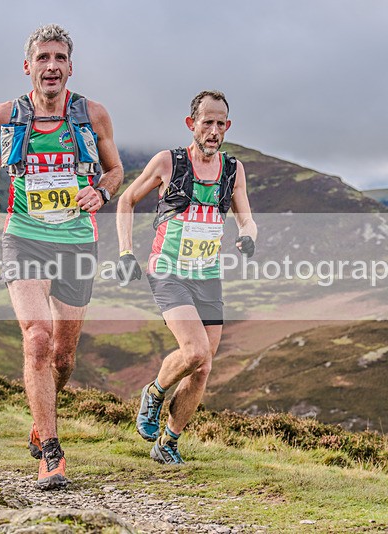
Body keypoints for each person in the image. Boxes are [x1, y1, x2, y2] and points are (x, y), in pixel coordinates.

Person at [0, 24, 123, 490]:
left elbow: (115, 169)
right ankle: (52, 450)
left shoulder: (92, 115)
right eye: (43, 58)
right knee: (37, 339)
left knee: (63, 355)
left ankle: (42, 417)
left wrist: (101, 191)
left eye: (59, 58)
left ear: (70, 68)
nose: (51, 66)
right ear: (28, 66)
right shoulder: (6, 115)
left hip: (77, 240)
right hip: (25, 237)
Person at [116, 90, 257, 464]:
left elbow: (246, 217)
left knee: (204, 365)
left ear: (228, 126)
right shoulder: (168, 162)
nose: (213, 130)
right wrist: (126, 251)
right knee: (194, 351)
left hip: (207, 274)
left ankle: (168, 443)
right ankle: (154, 393)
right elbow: (127, 200)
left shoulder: (233, 169)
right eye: (206, 122)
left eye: (220, 123)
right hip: (168, 271)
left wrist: (248, 236)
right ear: (191, 124)